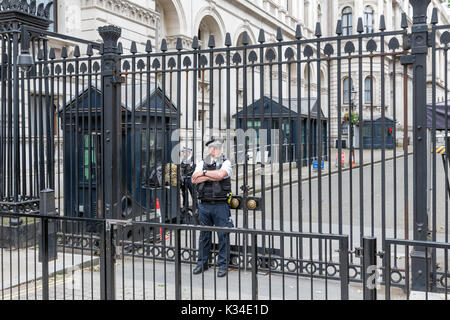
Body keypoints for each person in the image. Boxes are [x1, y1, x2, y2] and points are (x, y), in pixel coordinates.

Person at [191, 137, 233, 278]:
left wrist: (203, 174)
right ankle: (202, 263)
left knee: (223, 236)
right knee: (204, 236)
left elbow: (221, 175)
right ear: (209, 150)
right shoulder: (202, 162)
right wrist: (210, 175)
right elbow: (194, 179)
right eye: (214, 148)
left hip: (220, 205)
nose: (217, 150)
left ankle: (223, 265)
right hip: (204, 204)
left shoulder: (226, 162)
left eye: (219, 148)